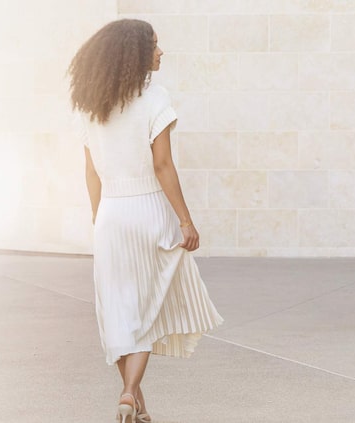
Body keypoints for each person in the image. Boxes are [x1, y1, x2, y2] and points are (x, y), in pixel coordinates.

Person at [69, 19, 224, 423]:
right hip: (148, 211)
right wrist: (185, 220)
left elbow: (91, 173)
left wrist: (97, 217)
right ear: (135, 55)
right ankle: (127, 393)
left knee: (119, 312)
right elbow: (162, 164)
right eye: (155, 46)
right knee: (146, 311)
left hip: (111, 215)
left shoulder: (91, 106)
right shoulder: (155, 99)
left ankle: (136, 403)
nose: (161, 52)